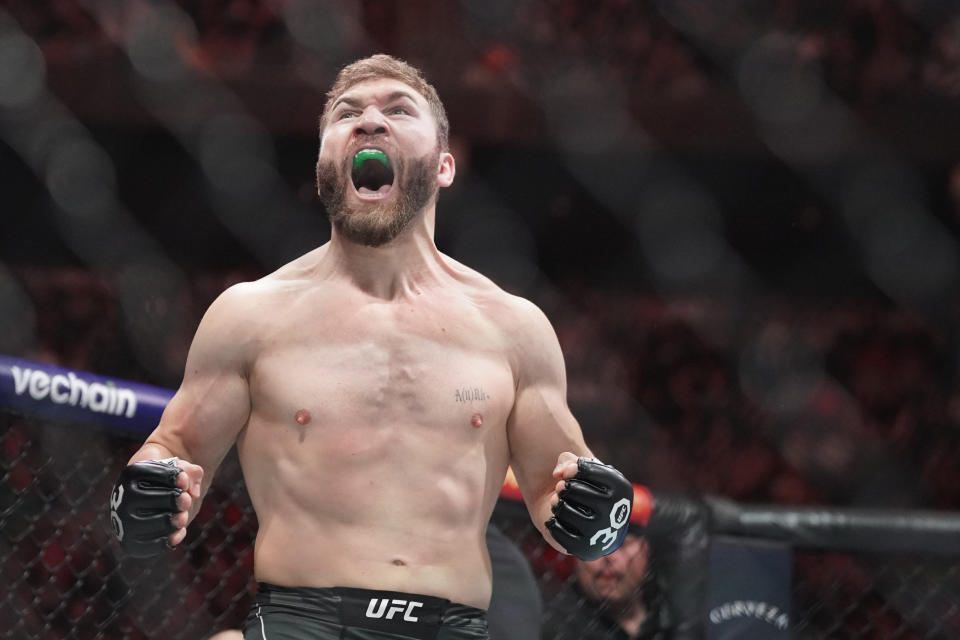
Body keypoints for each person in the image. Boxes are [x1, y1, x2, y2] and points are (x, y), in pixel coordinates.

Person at [108, 54, 634, 640]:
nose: (369, 121)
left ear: (443, 166)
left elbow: (556, 488)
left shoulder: (514, 327)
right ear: (322, 166)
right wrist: (148, 490)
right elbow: (177, 449)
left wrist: (595, 514)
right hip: (302, 624)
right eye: (347, 112)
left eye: (399, 109)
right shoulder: (251, 314)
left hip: (452, 628)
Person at [542, 534, 670, 640]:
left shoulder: (671, 608)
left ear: (645, 549)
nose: (608, 557)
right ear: (574, 556)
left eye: (622, 544)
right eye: (595, 543)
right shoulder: (554, 623)